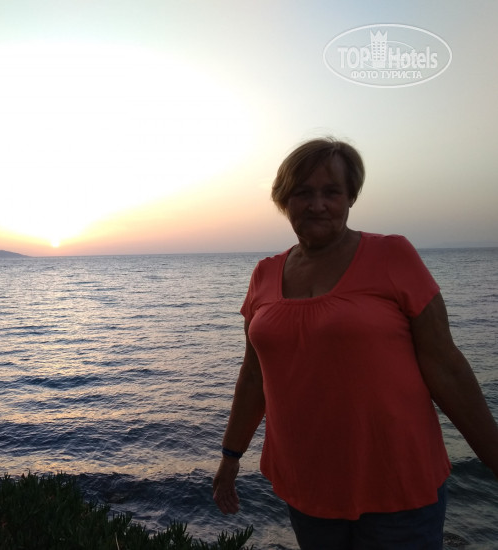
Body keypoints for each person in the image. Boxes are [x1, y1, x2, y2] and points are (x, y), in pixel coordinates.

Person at [212, 137, 498, 549]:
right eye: (303, 193)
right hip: (307, 483)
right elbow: (254, 376)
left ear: (351, 197)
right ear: (283, 200)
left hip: (397, 482)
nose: (317, 205)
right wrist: (230, 456)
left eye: (331, 192)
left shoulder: (392, 255)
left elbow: (446, 366)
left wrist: (494, 457)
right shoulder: (264, 274)